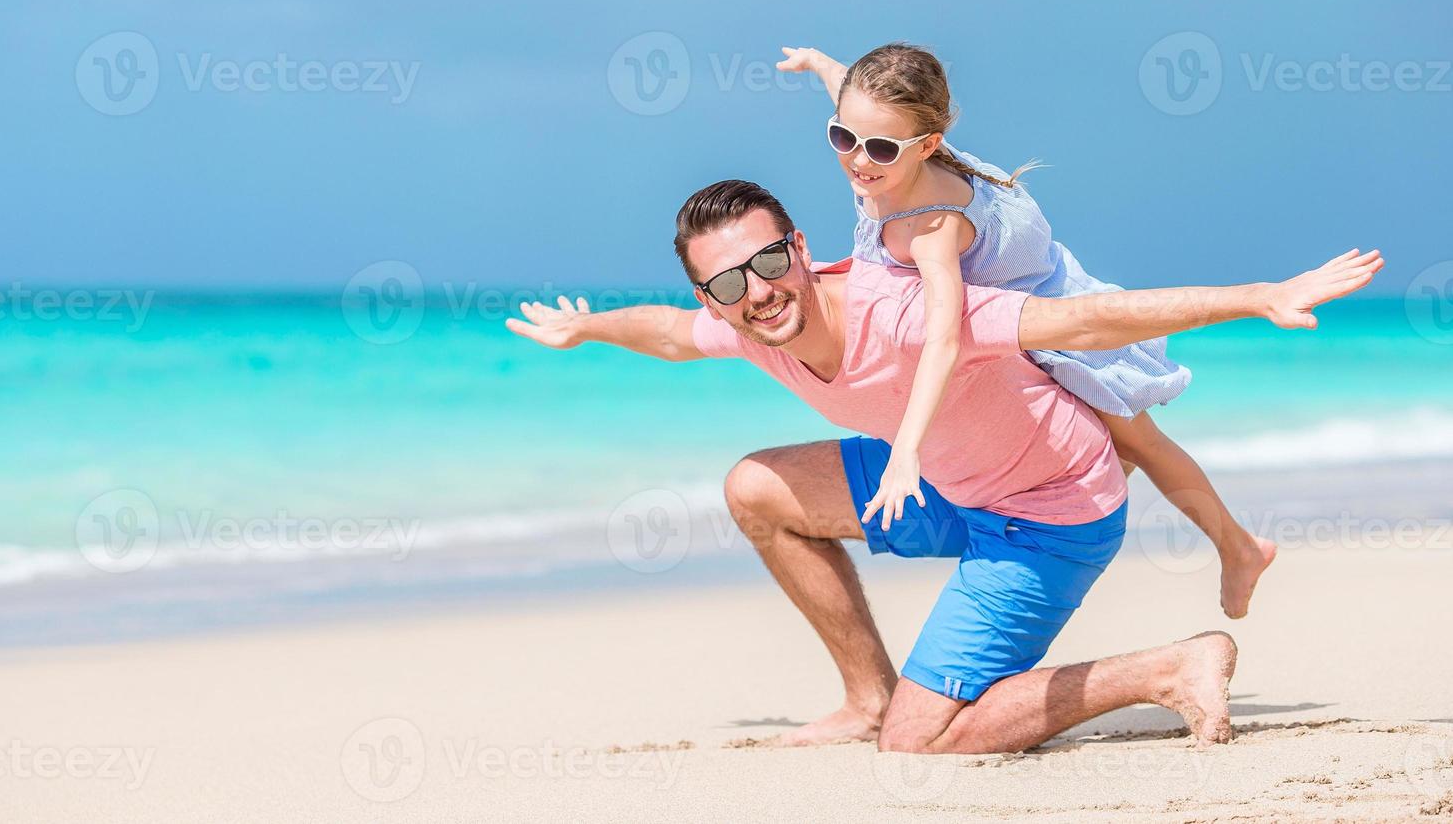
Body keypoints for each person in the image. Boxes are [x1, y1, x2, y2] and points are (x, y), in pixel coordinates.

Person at [506, 179, 1381, 752]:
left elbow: (1082, 323)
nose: (759, 292)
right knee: (756, 488)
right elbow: (665, 332)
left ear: (801, 248)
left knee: (923, 748)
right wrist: (586, 327)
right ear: (712, 297)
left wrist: (1258, 297)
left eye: (768, 263)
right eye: (728, 283)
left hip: (1048, 515)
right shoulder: (745, 326)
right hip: (937, 480)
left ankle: (1165, 668)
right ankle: (866, 696)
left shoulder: (911, 316)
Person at [776, 42, 1277, 619]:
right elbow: (853, 94)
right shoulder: (889, 145)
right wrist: (817, 63)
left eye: (881, 148)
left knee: (1141, 442)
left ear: (927, 146)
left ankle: (1239, 548)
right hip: (1031, 294)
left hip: (1049, 319)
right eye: (843, 137)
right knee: (1113, 447)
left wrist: (906, 449)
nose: (859, 160)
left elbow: (944, 338)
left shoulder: (929, 229)